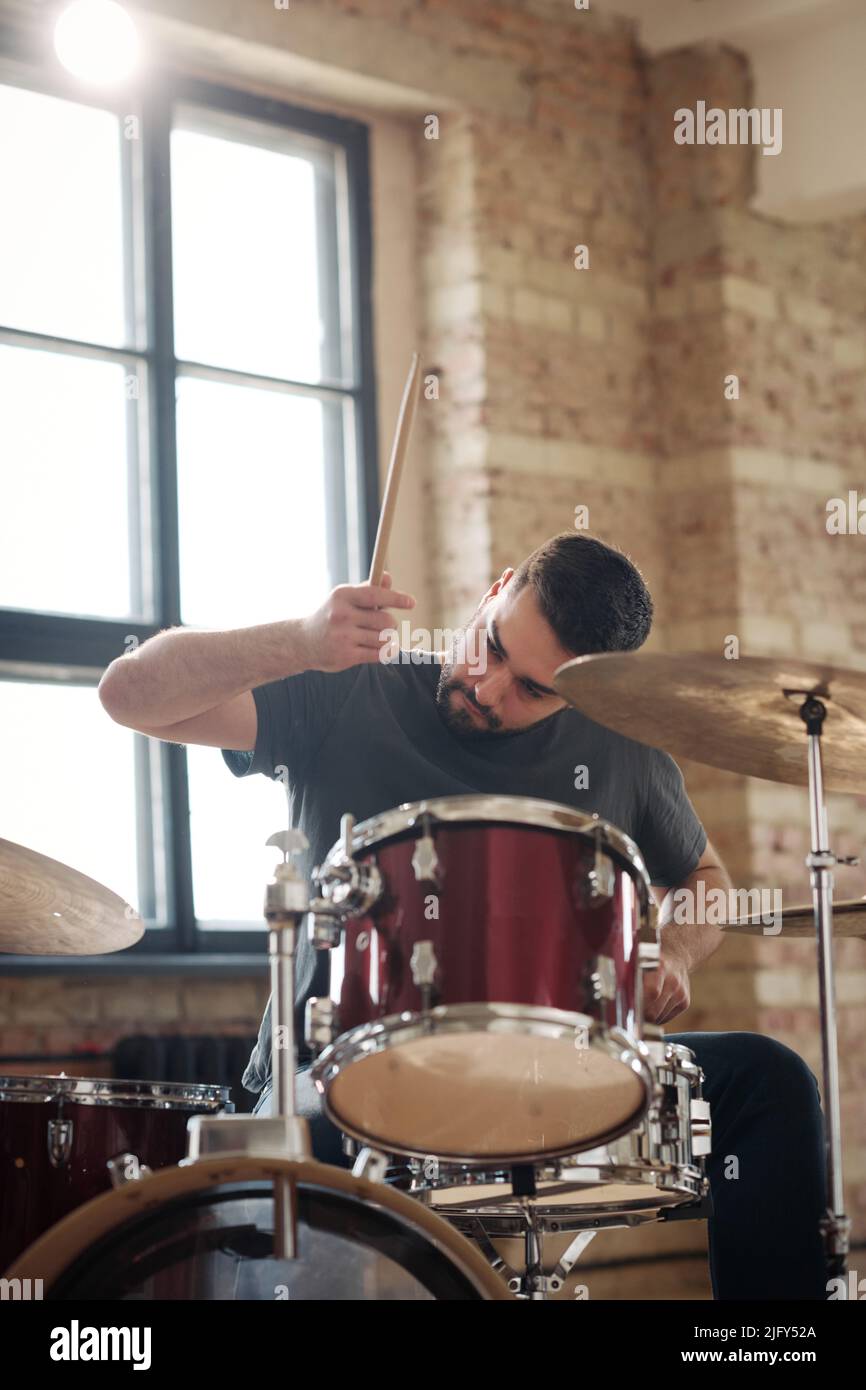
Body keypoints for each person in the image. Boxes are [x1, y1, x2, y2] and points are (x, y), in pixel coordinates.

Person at [98, 531, 828, 1300]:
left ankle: (768, 1352)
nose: (489, 689)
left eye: (534, 691)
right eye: (493, 648)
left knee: (769, 1082)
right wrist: (301, 639)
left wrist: (674, 950)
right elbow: (128, 696)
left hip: (553, 1073)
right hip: (332, 1078)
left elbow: (706, 878)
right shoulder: (348, 687)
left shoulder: (623, 749)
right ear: (496, 590)